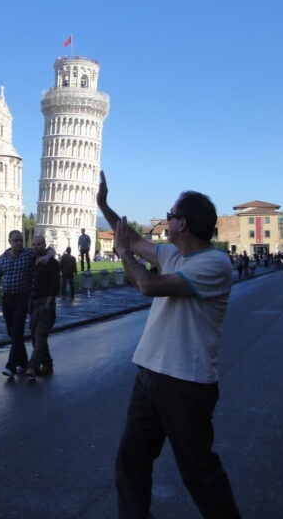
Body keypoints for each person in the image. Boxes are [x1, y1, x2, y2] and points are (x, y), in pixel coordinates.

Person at [97, 171, 241, 519]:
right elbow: (131, 238)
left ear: (183, 224)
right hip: (149, 374)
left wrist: (123, 254)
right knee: (131, 461)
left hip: (186, 382)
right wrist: (103, 204)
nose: (167, 219)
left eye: (171, 215)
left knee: (199, 473)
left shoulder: (214, 263)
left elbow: (148, 285)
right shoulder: (173, 254)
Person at [0, 231, 54, 377]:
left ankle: (11, 366)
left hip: (22, 298)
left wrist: (47, 256)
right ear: (9, 241)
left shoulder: (28, 254)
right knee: (13, 333)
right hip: (7, 299)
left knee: (16, 331)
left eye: (21, 240)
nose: (19, 243)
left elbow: (50, 250)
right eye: (15, 240)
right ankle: (22, 362)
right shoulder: (2, 259)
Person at [25, 235, 61, 379]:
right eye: (34, 244)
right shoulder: (30, 260)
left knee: (40, 336)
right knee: (35, 337)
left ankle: (32, 367)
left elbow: (55, 284)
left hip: (45, 303)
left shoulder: (52, 263)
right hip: (33, 303)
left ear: (45, 245)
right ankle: (47, 363)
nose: (36, 247)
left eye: (39, 244)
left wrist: (48, 302)